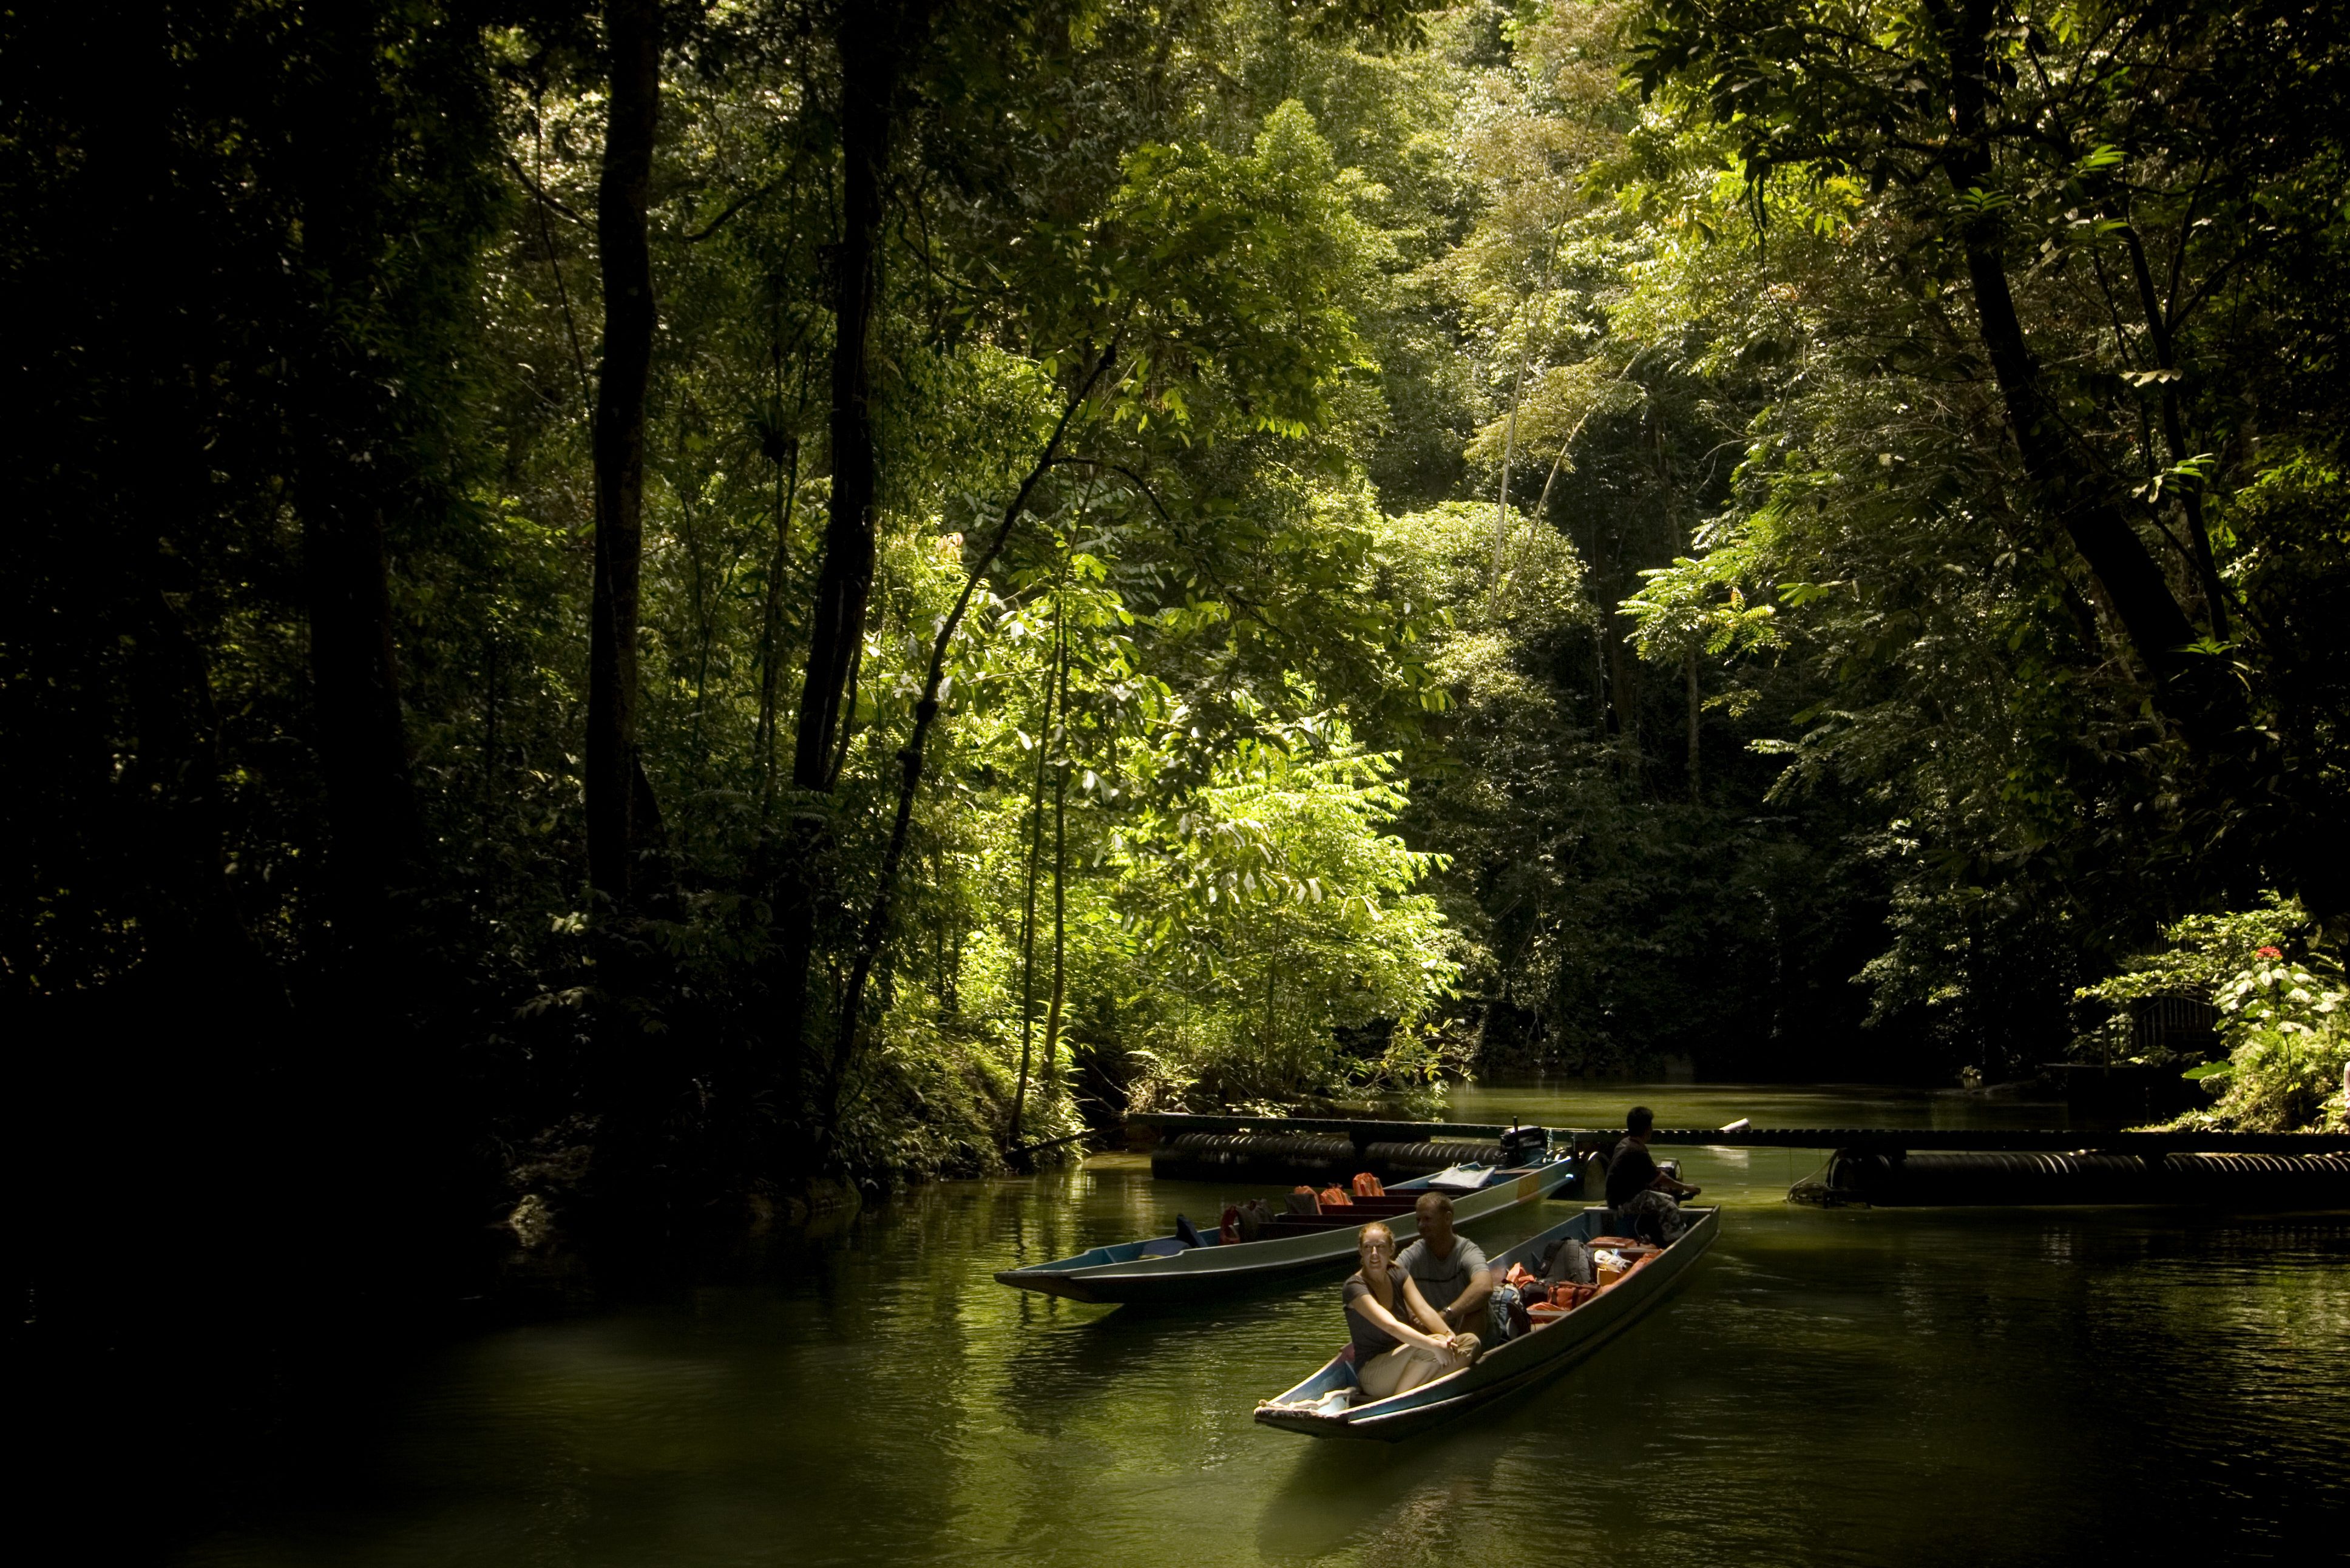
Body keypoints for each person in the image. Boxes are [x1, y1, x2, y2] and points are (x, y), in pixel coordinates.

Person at [1343, 1222, 1478, 1399]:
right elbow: (1391, 1326)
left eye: (1381, 1247)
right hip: (1373, 1375)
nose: (1374, 1254)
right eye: (1368, 1247)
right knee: (1433, 1346)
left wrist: (1448, 1335)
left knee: (1470, 1342)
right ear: (1361, 1251)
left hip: (1408, 1363)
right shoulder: (1354, 1287)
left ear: (1391, 1250)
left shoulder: (1399, 1274)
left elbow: (1424, 1310)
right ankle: (1398, 1402)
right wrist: (1434, 1344)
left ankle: (1421, 1391)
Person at [1393, 1192, 1494, 1331]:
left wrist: (1445, 1314)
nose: (1422, 1225)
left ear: (1448, 1218)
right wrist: (1412, 1314)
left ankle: (1465, 1351)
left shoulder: (1467, 1251)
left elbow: (1484, 1287)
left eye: (1428, 1219)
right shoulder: (1412, 1254)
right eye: (1418, 1220)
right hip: (1434, 1331)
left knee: (1477, 1308)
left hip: (1465, 1328)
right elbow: (1389, 1280)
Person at [1605, 1105, 1699, 1242]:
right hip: (1623, 1202)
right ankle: (1674, 1242)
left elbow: (1648, 1177)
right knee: (1670, 1207)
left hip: (1617, 1198)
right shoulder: (1637, 1150)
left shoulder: (1624, 1144)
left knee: (1670, 1198)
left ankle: (1660, 1236)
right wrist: (1686, 1187)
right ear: (1647, 1129)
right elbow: (1660, 1177)